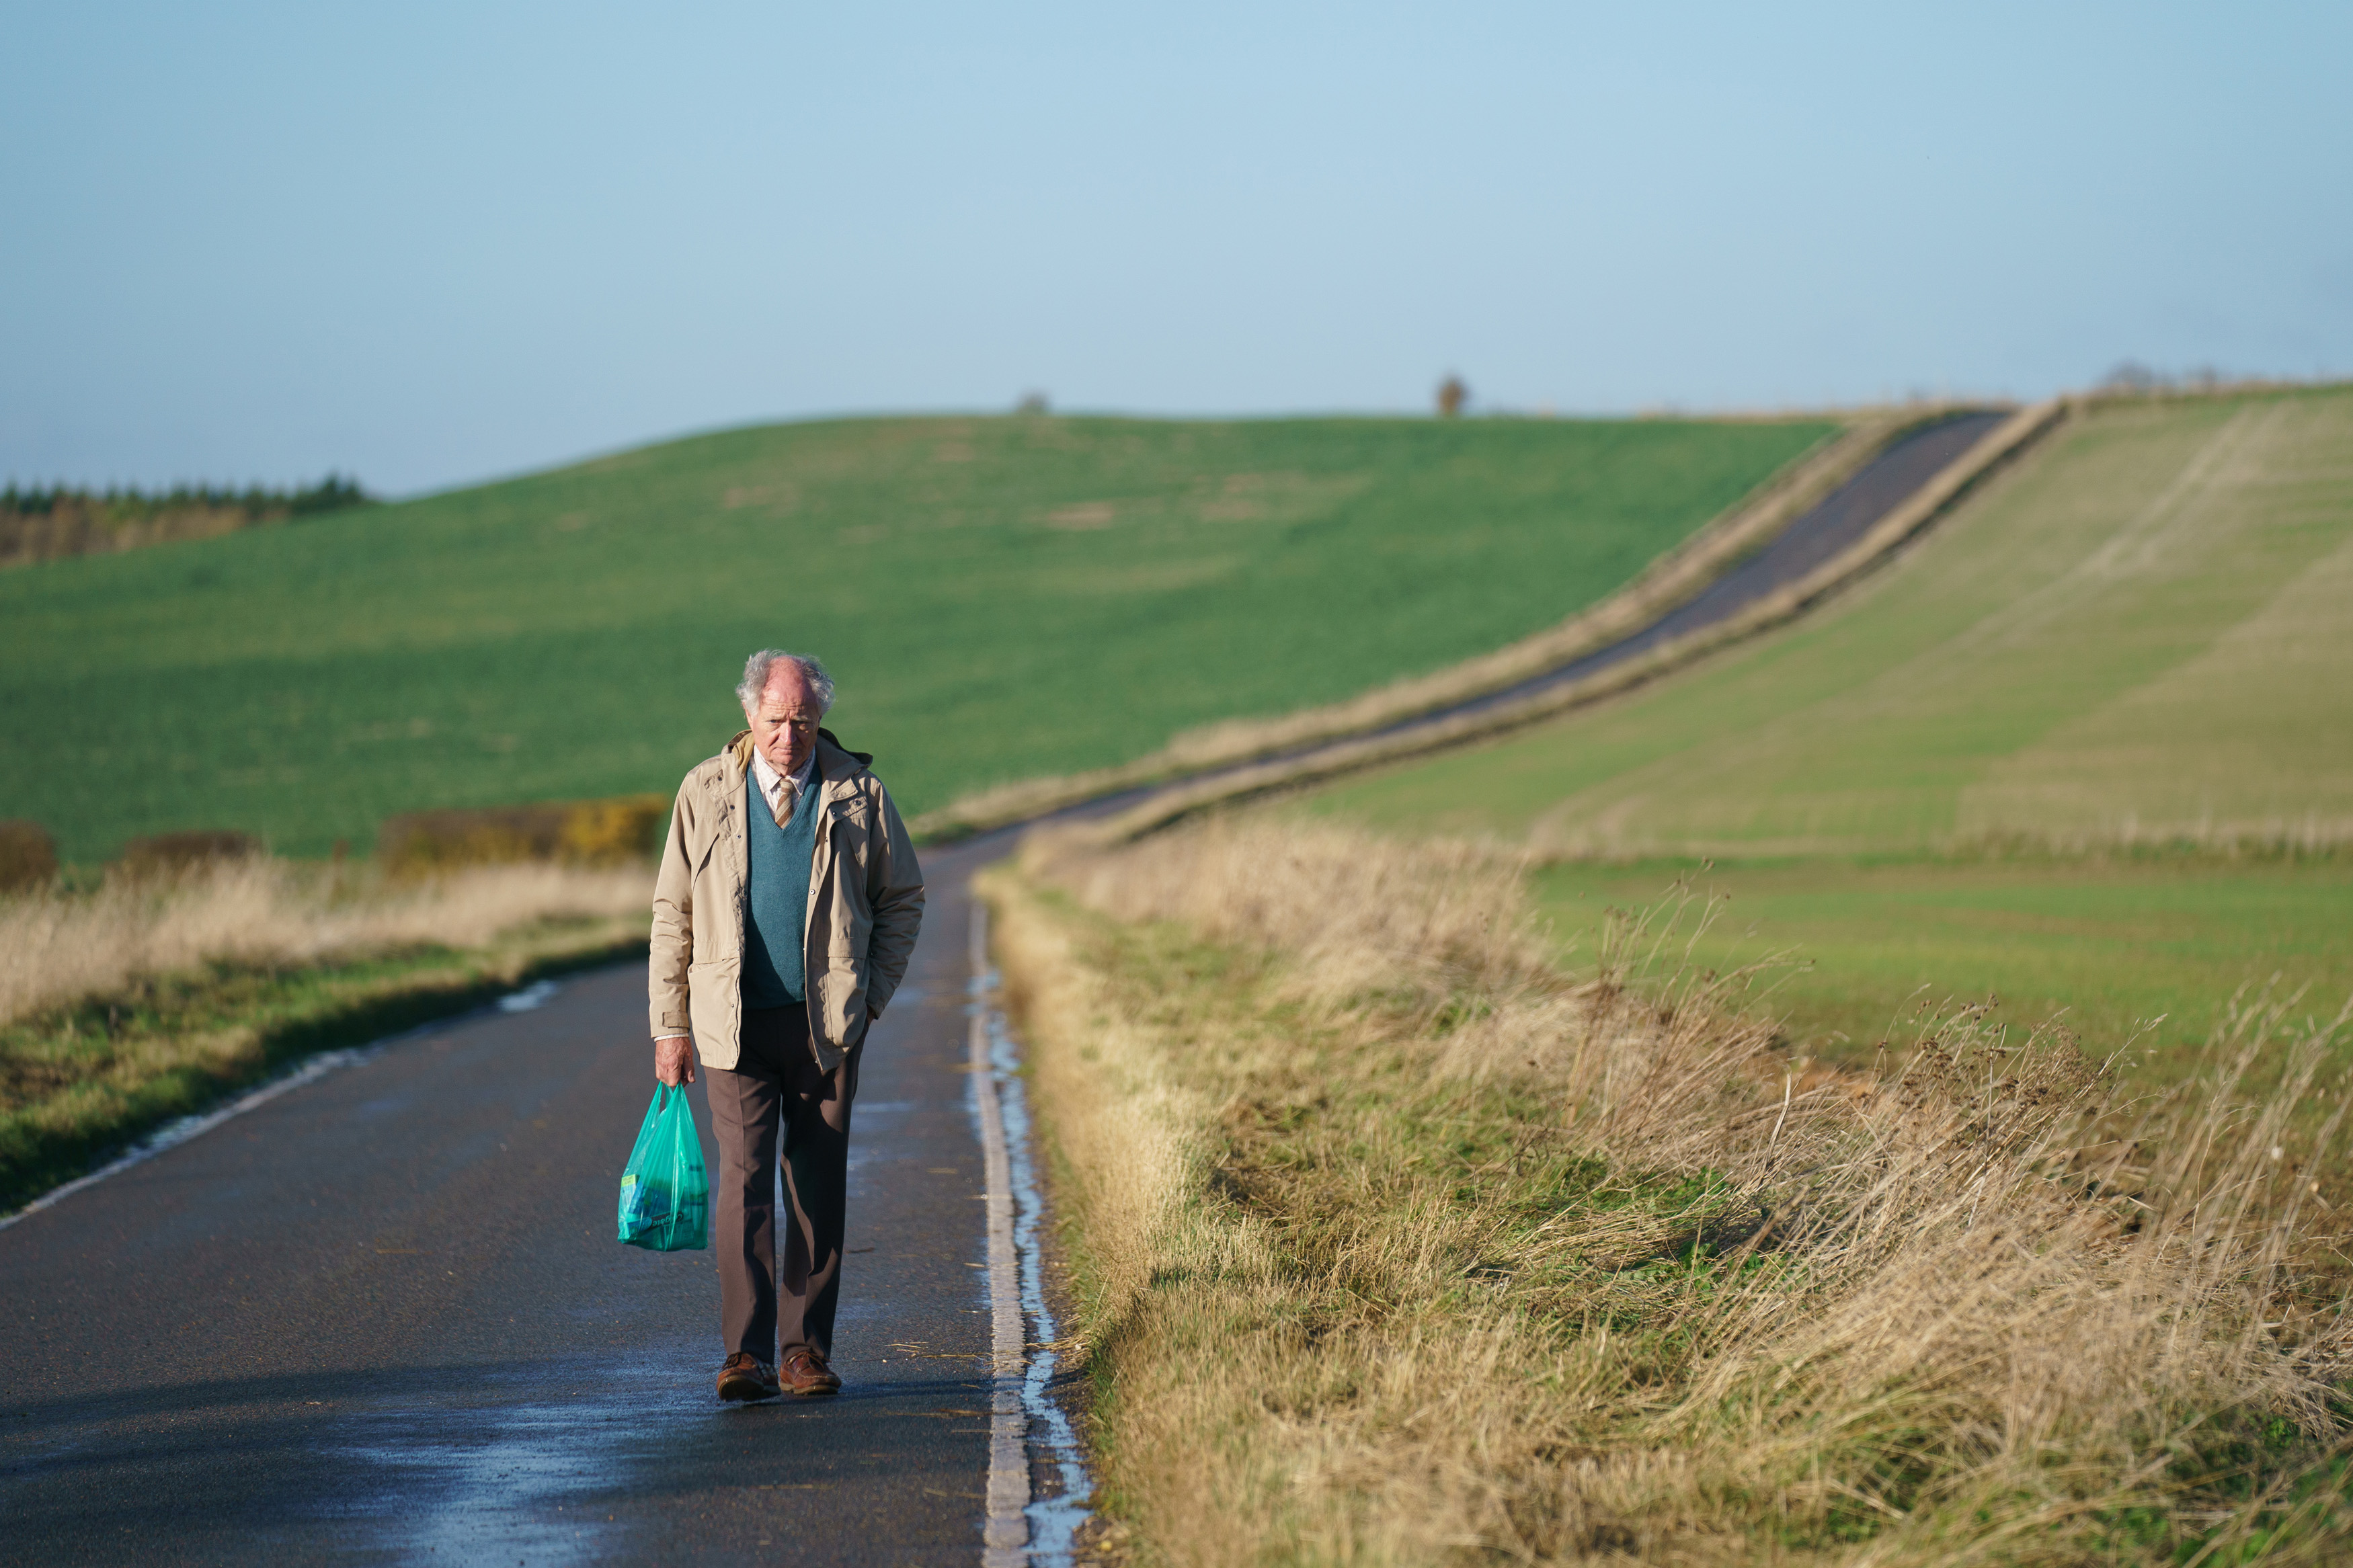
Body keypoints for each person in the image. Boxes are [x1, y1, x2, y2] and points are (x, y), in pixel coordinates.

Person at [649, 650, 925, 1401]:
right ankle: (746, 1355)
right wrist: (668, 1026)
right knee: (743, 1184)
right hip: (731, 1025)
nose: (787, 736)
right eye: (774, 720)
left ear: (819, 719)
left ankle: (804, 1352)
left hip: (825, 1028)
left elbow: (903, 898)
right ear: (750, 715)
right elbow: (671, 914)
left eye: (802, 721)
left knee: (815, 1185)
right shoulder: (703, 791)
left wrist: (868, 997)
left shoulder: (859, 794)